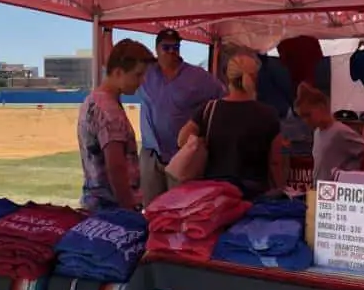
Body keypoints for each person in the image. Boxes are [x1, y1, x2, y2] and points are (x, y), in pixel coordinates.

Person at [138, 28, 224, 206]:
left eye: (175, 48)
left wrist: (204, 131)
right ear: (157, 49)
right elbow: (112, 62)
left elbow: (223, 98)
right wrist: (107, 29)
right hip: (151, 157)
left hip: (183, 158)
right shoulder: (145, 74)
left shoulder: (198, 77)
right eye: (166, 48)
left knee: (182, 210)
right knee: (152, 211)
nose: (171, 52)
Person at [177, 53, 281, 198]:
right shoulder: (268, 114)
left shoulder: (209, 109)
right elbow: (275, 161)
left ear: (227, 77)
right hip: (254, 195)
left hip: (215, 194)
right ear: (255, 78)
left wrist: (202, 141)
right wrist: (279, 189)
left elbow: (182, 140)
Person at [77, 39, 155, 212]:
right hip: (112, 208)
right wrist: (128, 210)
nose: (142, 81)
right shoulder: (109, 111)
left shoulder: (92, 100)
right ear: (119, 72)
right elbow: (116, 168)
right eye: (138, 74)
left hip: (94, 203)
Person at [295, 84, 364, 183]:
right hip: (322, 191)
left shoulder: (340, 132)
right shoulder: (317, 133)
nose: (306, 120)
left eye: (308, 115)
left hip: (337, 192)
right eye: (302, 117)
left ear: (321, 107)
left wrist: (360, 182)